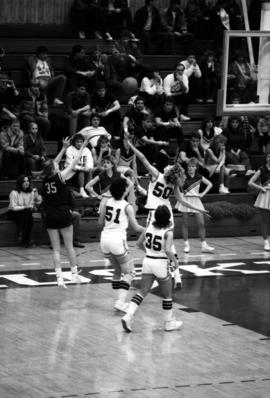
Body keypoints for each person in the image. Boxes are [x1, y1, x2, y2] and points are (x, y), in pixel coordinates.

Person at [121, 204, 182, 332]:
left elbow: (138, 244)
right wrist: (175, 262)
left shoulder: (148, 228)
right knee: (167, 295)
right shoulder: (168, 232)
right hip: (161, 263)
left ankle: (128, 316)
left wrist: (148, 252)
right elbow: (167, 250)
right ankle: (168, 323)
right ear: (168, 218)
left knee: (142, 291)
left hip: (147, 261)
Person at [41, 136, 89, 288]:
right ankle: (74, 275)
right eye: (56, 165)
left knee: (56, 249)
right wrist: (83, 147)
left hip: (50, 215)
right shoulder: (60, 177)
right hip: (62, 213)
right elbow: (74, 163)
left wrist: (63, 148)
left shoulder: (45, 179)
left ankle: (59, 278)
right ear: (55, 169)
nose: (57, 164)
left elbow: (50, 164)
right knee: (69, 247)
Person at [98, 177, 144, 312]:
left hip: (104, 240)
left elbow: (100, 223)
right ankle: (120, 302)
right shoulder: (127, 206)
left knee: (118, 271)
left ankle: (117, 301)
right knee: (130, 272)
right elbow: (135, 227)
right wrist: (148, 230)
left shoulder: (106, 202)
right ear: (125, 191)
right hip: (118, 240)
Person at [175, 157, 214, 254]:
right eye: (189, 166)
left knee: (201, 223)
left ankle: (204, 245)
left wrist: (203, 194)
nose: (190, 168)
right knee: (185, 223)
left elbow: (210, 184)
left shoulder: (199, 177)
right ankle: (186, 245)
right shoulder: (183, 176)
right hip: (185, 200)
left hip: (196, 200)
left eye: (193, 166)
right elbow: (177, 185)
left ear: (196, 167)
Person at [8, 174, 42, 247]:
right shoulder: (14, 192)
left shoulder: (31, 192)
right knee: (27, 214)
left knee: (29, 216)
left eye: (28, 181)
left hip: (26, 213)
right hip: (14, 212)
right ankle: (25, 239)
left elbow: (34, 204)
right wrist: (25, 207)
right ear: (20, 183)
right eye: (24, 181)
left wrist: (36, 195)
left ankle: (24, 237)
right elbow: (13, 207)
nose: (27, 183)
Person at [248, 152, 270, 251]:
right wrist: (261, 188)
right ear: (266, 158)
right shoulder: (262, 169)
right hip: (266, 195)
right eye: (269, 156)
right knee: (265, 220)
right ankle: (266, 242)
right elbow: (250, 182)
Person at [64, 133, 94, 198]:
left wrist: (88, 168)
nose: (79, 143)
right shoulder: (70, 149)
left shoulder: (86, 150)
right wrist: (82, 168)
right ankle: (81, 190)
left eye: (81, 142)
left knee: (90, 170)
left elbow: (90, 162)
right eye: (77, 142)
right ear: (74, 142)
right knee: (81, 171)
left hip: (83, 172)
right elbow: (71, 164)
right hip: (70, 173)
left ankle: (90, 190)